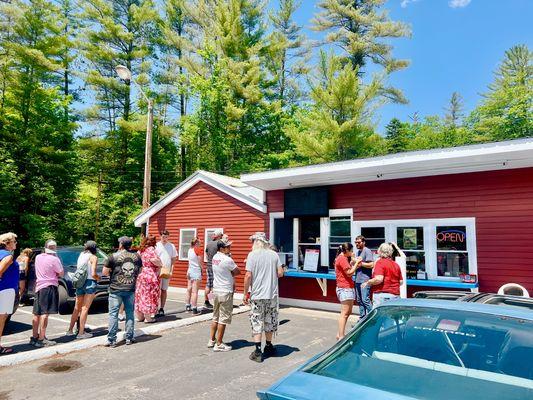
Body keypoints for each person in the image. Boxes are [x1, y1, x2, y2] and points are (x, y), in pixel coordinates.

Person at [243, 232, 284, 363]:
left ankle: (257, 350)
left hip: (257, 295)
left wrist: (245, 293)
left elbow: (248, 275)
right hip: (271, 294)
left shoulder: (252, 255)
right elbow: (280, 273)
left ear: (256, 242)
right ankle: (268, 345)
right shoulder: (274, 255)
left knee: (257, 320)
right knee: (269, 320)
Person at [103, 236, 142, 347]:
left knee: (113, 314)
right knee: (130, 313)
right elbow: (140, 270)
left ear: (121, 244)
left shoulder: (113, 256)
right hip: (130, 288)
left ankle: (112, 340)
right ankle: (129, 337)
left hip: (116, 289)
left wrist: (113, 271)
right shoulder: (137, 256)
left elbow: (105, 272)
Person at [208, 237, 240, 352]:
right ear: (222, 248)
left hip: (216, 290)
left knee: (215, 317)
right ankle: (219, 343)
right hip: (225, 291)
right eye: (228, 247)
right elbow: (238, 271)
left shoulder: (215, 257)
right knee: (223, 319)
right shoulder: (227, 260)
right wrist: (231, 271)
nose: (229, 248)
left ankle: (212, 340)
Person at [31, 240, 64, 347]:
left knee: (36, 313)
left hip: (39, 287)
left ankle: (34, 337)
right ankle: (41, 339)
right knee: (45, 313)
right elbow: (61, 273)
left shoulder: (38, 257)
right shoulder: (55, 259)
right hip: (49, 287)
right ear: (55, 248)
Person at [67, 241, 99, 339]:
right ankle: (81, 333)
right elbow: (93, 274)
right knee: (85, 308)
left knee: (77, 307)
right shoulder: (93, 257)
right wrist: (98, 278)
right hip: (89, 283)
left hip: (80, 283)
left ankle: (70, 330)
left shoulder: (81, 255)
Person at [362, 242, 403, 308]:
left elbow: (379, 279)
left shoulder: (380, 262)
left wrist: (368, 282)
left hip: (382, 296)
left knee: (380, 317)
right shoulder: (396, 265)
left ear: (380, 251)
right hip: (395, 296)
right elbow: (401, 282)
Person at [334, 242, 359, 340]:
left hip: (346, 287)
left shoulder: (343, 258)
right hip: (345, 287)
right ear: (347, 251)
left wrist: (353, 262)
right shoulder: (342, 259)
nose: (352, 253)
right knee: (344, 313)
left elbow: (347, 269)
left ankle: (339, 333)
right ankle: (341, 336)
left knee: (348, 312)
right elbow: (349, 273)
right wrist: (356, 263)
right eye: (351, 251)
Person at [0, 233, 19, 355]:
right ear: (8, 243)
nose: (16, 243)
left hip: (5, 290)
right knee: (1, 319)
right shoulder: (8, 256)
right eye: (14, 241)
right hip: (6, 290)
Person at [136, 235, 162, 323]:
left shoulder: (141, 250)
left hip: (142, 274)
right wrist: (161, 264)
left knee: (141, 295)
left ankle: (140, 317)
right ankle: (148, 318)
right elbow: (154, 260)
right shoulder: (151, 249)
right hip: (150, 275)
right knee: (149, 295)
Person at [155, 230, 177, 317]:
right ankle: (154, 308)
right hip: (157, 270)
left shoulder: (171, 246)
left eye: (166, 237)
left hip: (166, 270)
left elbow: (173, 260)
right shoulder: (156, 245)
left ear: (168, 237)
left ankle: (161, 308)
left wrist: (171, 271)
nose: (164, 239)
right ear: (160, 236)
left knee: (164, 290)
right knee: (156, 290)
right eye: (163, 237)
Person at [354, 235, 374, 318]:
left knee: (365, 300)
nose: (357, 244)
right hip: (357, 279)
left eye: (359, 242)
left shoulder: (367, 251)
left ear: (363, 242)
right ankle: (362, 318)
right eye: (356, 243)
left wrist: (360, 263)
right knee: (359, 300)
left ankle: (373, 317)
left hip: (365, 279)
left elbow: (371, 264)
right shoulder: (358, 252)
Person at [204, 230, 224, 310]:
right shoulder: (219, 244)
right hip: (216, 267)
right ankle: (212, 302)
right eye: (221, 236)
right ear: (219, 236)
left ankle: (207, 301)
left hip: (208, 265)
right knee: (214, 286)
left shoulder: (209, 243)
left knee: (209, 284)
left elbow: (206, 253)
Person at [185, 237, 203, 315]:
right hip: (196, 270)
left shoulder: (189, 250)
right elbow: (200, 262)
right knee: (195, 291)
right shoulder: (198, 250)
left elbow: (189, 261)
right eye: (199, 243)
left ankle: (187, 306)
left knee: (189, 289)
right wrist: (202, 269)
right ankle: (194, 309)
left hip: (190, 270)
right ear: (196, 243)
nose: (200, 244)